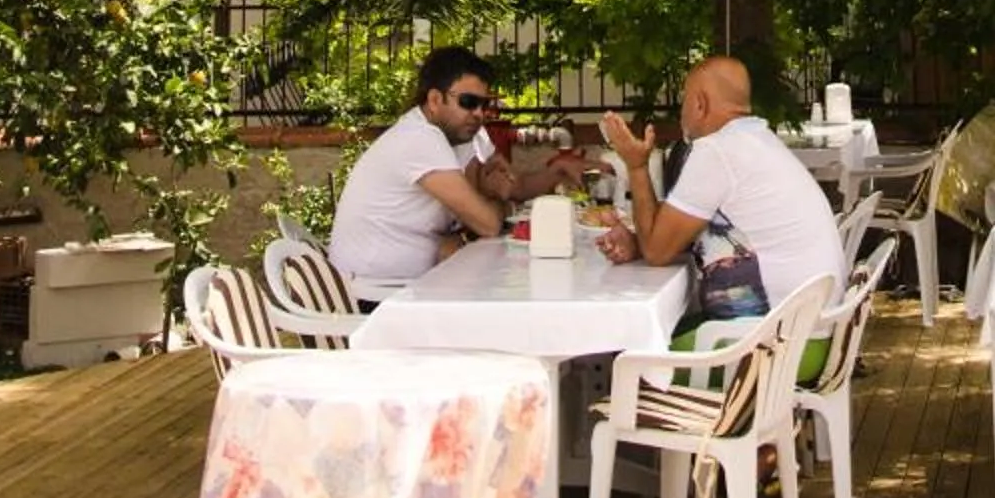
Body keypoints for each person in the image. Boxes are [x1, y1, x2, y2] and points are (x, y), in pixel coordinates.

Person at [598, 56, 844, 373]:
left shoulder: (717, 150)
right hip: (804, 332)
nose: (682, 110)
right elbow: (679, 235)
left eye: (685, 99)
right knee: (657, 334)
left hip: (777, 349)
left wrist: (635, 166)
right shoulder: (755, 140)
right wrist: (637, 241)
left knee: (627, 363)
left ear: (699, 103)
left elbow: (657, 252)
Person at [330, 46, 581, 285]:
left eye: (484, 104)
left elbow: (515, 185)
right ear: (435, 99)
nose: (479, 113)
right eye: (468, 102)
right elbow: (487, 223)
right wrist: (500, 201)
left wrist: (557, 172)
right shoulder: (419, 137)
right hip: (374, 295)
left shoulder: (462, 135)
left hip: (425, 280)